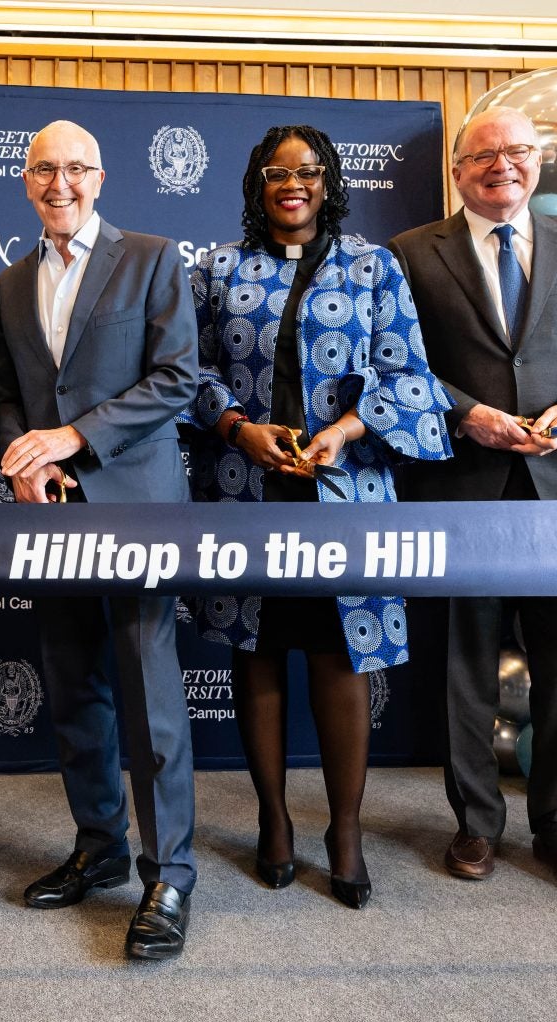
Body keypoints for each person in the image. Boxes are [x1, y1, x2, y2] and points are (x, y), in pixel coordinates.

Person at [188, 126, 452, 907]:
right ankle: (273, 818)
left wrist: (346, 429)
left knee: (340, 658)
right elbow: (192, 372)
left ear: (329, 182)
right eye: (277, 172)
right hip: (249, 489)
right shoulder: (219, 268)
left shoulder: (373, 267)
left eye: (307, 172)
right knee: (258, 654)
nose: (292, 184)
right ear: (257, 184)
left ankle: (344, 827)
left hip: (346, 495)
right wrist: (239, 426)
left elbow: (411, 374)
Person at [390, 110, 557, 898]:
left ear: (537, 164)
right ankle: (475, 822)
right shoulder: (411, 253)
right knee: (463, 663)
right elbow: (399, 357)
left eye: (517, 153)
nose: (502, 165)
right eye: (484, 155)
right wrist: (468, 412)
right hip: (464, 482)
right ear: (458, 170)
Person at [0, 122, 201, 961]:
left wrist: (72, 438)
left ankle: (171, 871)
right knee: (73, 687)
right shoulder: (7, 284)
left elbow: (177, 376)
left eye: (76, 168)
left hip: (138, 505)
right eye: (45, 169)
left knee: (150, 696)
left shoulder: (152, 256)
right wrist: (20, 457)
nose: (60, 183)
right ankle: (100, 845)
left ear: (101, 176)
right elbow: (7, 394)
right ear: (26, 179)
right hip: (51, 512)